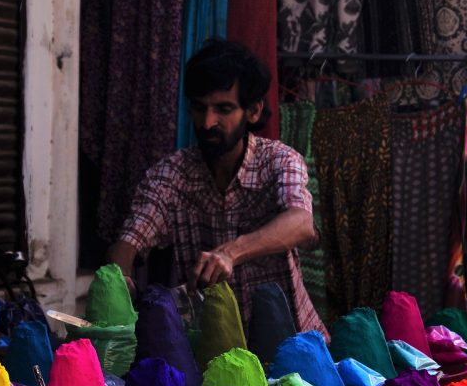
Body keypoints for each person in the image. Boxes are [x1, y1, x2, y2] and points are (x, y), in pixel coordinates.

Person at [108, 39, 327, 338]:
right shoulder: (171, 174)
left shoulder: (280, 160)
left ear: (252, 111)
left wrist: (231, 253)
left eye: (223, 109)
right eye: (200, 108)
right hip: (213, 349)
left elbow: (301, 223)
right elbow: (130, 240)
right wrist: (119, 279)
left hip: (293, 347)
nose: (208, 122)